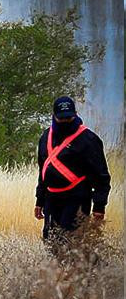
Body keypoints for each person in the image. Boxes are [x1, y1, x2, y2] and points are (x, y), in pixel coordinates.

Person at [35, 96, 111, 249]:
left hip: (77, 197)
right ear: (54, 116)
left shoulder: (89, 139)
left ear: (75, 114)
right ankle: (56, 272)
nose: (65, 122)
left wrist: (99, 206)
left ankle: (79, 271)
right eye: (61, 118)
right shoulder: (45, 137)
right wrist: (39, 200)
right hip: (51, 197)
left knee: (70, 241)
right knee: (50, 240)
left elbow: (102, 176)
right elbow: (43, 170)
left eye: (69, 118)